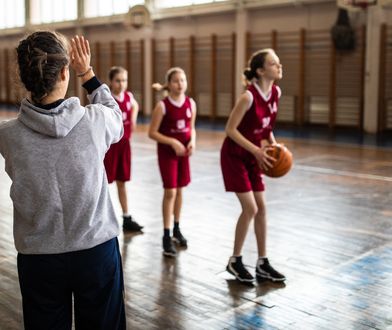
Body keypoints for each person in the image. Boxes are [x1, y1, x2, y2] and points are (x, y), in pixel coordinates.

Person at [0, 31, 126, 329]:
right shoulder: (96, 121)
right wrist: (88, 73)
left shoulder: (8, 136)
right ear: (66, 72)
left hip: (38, 258)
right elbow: (116, 115)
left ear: (24, 75)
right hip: (96, 251)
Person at [220, 49, 286, 283]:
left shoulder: (275, 92)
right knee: (251, 208)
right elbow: (230, 130)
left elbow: (266, 129)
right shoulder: (248, 97)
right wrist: (257, 150)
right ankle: (235, 260)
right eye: (273, 63)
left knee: (262, 208)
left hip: (254, 156)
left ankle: (262, 263)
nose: (279, 66)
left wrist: (276, 149)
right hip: (235, 155)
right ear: (260, 70)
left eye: (278, 63)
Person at [148, 67, 196, 257]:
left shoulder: (191, 103)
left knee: (180, 190)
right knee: (170, 192)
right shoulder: (163, 106)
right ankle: (166, 235)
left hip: (183, 153)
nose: (180, 84)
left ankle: (176, 228)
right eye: (176, 80)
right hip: (168, 153)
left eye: (183, 80)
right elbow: (152, 132)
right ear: (169, 84)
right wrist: (173, 141)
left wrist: (192, 141)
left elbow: (192, 129)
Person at [104, 66, 143, 232]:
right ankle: (102, 217)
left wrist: (133, 119)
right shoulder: (107, 100)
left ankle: (126, 217)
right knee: (104, 183)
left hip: (125, 146)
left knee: (122, 182)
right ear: (111, 82)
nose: (121, 84)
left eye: (124, 80)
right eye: (118, 81)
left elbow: (135, 105)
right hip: (110, 147)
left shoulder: (129, 96)